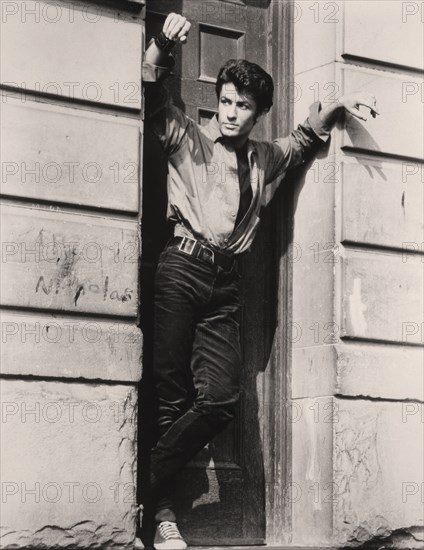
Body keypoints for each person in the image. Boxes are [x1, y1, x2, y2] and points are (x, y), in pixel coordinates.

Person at [142, 12, 379, 550]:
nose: (230, 112)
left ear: (257, 113)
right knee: (172, 398)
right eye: (225, 100)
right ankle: (162, 515)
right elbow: (151, 87)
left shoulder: (262, 158)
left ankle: (143, 474)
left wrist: (333, 113)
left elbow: (299, 145)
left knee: (221, 400)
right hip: (180, 269)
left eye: (243, 106)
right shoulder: (188, 138)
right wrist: (161, 43)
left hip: (225, 284)